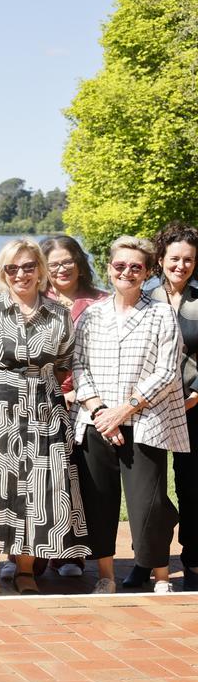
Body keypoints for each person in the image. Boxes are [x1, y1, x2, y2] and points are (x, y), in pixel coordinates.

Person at [0, 238, 89, 595]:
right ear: (3, 272)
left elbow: (64, 363)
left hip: (45, 410)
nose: (21, 274)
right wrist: (2, 387)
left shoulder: (60, 314)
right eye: (12, 268)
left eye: (29, 267)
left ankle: (25, 568)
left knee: (38, 489)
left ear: (40, 270)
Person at [74, 236, 187, 594]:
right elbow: (78, 365)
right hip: (97, 423)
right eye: (120, 265)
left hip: (147, 424)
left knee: (149, 506)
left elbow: (168, 371)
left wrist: (126, 409)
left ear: (148, 272)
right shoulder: (91, 314)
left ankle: (161, 577)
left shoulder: (162, 313)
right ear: (109, 269)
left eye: (136, 267)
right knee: (100, 502)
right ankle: (106, 576)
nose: (127, 272)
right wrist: (100, 411)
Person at [38, 234, 107, 580]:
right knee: (37, 481)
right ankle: (25, 555)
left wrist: (78, 393)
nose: (61, 269)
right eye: (53, 264)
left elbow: (105, 360)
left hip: (85, 404)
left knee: (76, 481)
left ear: (79, 261)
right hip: (38, 403)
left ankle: (71, 554)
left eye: (67, 261)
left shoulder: (101, 303)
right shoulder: (33, 301)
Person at [149, 223, 198, 591]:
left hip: (194, 405)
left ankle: (193, 556)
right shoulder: (146, 297)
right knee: (148, 487)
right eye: (175, 258)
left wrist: (197, 393)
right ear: (161, 258)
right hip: (151, 406)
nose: (181, 265)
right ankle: (148, 557)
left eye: (189, 260)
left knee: (192, 484)